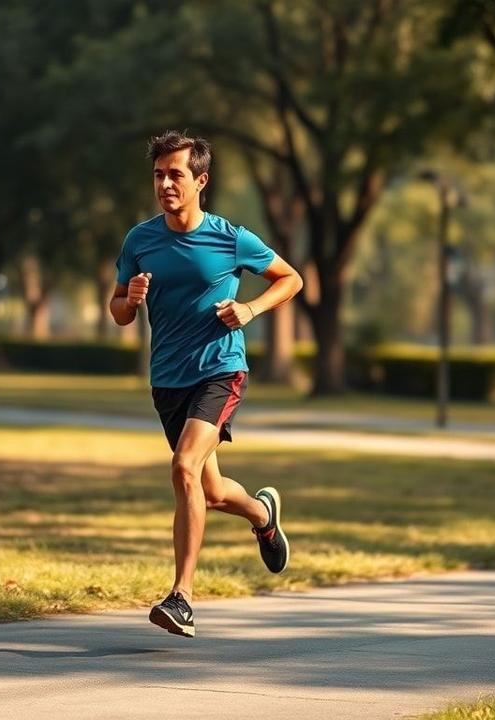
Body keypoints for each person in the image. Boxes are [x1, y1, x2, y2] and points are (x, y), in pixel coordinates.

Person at [110, 130, 303, 638]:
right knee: (210, 489)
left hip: (220, 370)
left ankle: (182, 597)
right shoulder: (140, 240)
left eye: (176, 175)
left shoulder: (230, 237)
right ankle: (263, 514)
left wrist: (250, 308)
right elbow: (119, 314)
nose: (165, 184)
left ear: (201, 180)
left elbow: (291, 278)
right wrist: (129, 299)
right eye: (158, 175)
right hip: (168, 380)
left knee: (183, 468)